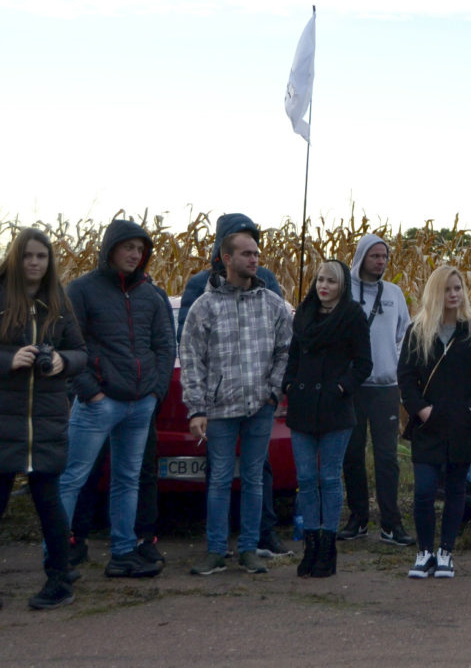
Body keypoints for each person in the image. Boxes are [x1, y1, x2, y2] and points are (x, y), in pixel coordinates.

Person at [60, 220, 174, 579]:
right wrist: (89, 391)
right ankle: (58, 555)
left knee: (127, 479)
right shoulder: (82, 290)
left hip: (140, 404)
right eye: (129, 248)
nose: (135, 255)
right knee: (72, 478)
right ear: (111, 248)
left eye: (140, 250)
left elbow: (164, 345)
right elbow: (66, 343)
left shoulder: (151, 295)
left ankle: (123, 553)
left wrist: (155, 393)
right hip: (99, 402)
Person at [177, 212, 290, 559]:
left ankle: (251, 547)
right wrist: (197, 406)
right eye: (246, 252)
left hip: (259, 406)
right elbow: (191, 355)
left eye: (257, 252)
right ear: (226, 255)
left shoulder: (271, 296)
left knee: (255, 479)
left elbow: (285, 348)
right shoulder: (202, 299)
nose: (255, 259)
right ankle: (215, 551)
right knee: (220, 479)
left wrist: (272, 392)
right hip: (220, 408)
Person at [0, 229, 86, 609]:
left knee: (50, 504)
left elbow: (81, 352)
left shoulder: (59, 303)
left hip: (47, 420)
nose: (35, 263)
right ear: (16, 259)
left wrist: (63, 362)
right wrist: (8, 361)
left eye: (42, 256)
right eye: (28, 256)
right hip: (6, 420)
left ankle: (59, 581)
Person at [398, 265, 471, 579]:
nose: (454, 295)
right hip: (429, 424)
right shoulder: (418, 330)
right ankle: (424, 551)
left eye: (458, 288)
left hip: (464, 424)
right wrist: (421, 411)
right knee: (425, 490)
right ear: (435, 292)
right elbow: (406, 377)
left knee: (456, 489)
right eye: (447, 289)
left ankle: (446, 552)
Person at [284, 260, 372, 578]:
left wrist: (341, 386)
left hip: (335, 408)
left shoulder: (352, 316)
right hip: (303, 406)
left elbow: (364, 363)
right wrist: (289, 384)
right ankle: (310, 546)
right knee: (306, 479)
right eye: (320, 280)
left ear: (342, 286)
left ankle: (328, 548)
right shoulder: (304, 314)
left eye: (331, 282)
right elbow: (293, 356)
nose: (324, 286)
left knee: (330, 478)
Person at [339, 234, 413, 546]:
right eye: (375, 256)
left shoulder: (394, 293)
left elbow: (404, 334)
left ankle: (391, 522)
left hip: (385, 387)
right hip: (353, 388)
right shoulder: (345, 291)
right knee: (352, 454)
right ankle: (357, 519)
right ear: (361, 257)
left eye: (384, 256)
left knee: (386, 458)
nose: (381, 262)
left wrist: (394, 366)